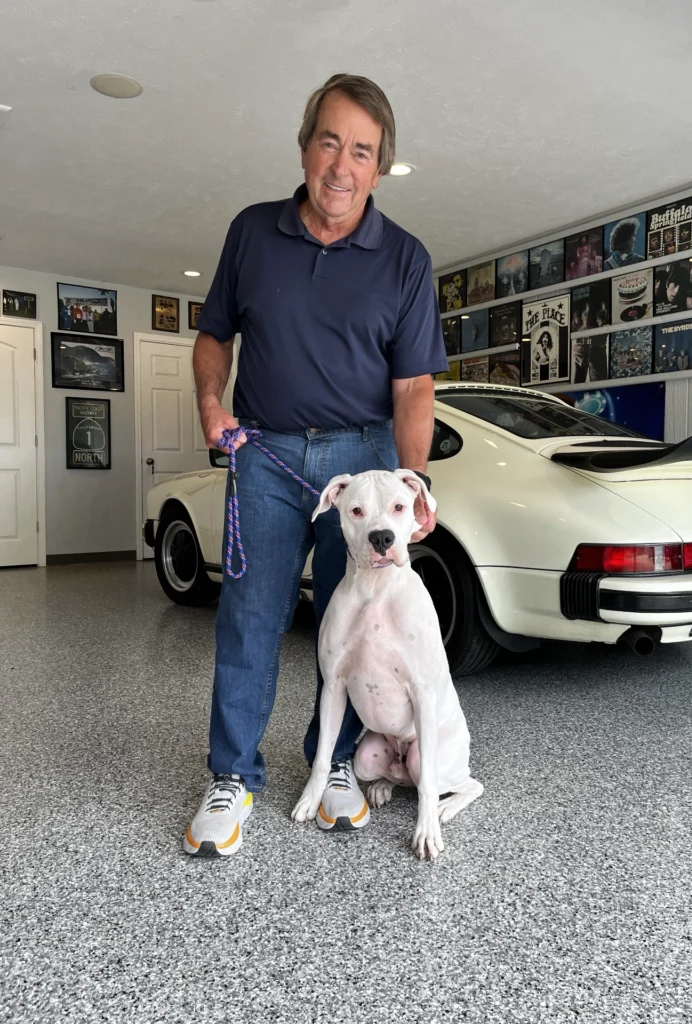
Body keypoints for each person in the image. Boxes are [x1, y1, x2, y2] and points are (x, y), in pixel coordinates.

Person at [184, 74, 448, 858]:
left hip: (361, 466)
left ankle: (333, 765)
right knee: (252, 618)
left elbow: (413, 386)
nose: (341, 164)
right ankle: (231, 777)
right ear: (305, 148)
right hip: (264, 456)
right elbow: (213, 336)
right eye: (329, 141)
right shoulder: (252, 232)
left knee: (356, 628)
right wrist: (209, 400)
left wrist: (412, 484)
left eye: (361, 150)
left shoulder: (404, 259)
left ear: (379, 166)